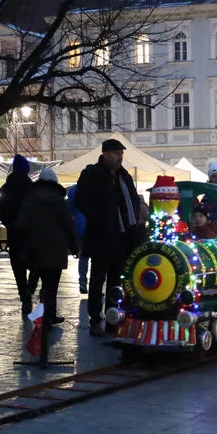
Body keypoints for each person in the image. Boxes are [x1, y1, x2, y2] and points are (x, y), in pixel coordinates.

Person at [74, 138, 145, 337]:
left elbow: (132, 200)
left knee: (116, 280)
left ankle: (113, 319)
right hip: (101, 235)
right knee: (98, 279)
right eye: (115, 153)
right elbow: (80, 200)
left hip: (123, 237)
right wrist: (98, 216)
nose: (119, 157)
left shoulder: (125, 176)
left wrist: (136, 219)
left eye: (121, 154)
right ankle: (95, 319)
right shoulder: (92, 175)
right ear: (105, 154)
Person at [16, 168, 78, 329]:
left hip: (35, 249)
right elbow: (68, 226)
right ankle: (49, 316)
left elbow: (21, 225)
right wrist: (75, 247)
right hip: (56, 250)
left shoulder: (30, 199)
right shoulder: (59, 201)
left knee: (42, 281)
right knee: (52, 285)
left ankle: (42, 313)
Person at [0, 154, 39, 317]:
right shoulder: (31, 188)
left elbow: (1, 215)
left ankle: (24, 297)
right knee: (35, 266)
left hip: (14, 236)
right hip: (30, 236)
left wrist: (11, 225)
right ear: (26, 169)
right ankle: (30, 289)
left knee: (18, 269)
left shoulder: (5, 188)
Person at [66, 184, 88, 294]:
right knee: (96, 258)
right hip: (92, 228)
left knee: (83, 257)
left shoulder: (73, 191)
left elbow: (68, 210)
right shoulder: (93, 189)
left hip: (78, 227)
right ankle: (94, 284)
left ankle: (83, 283)